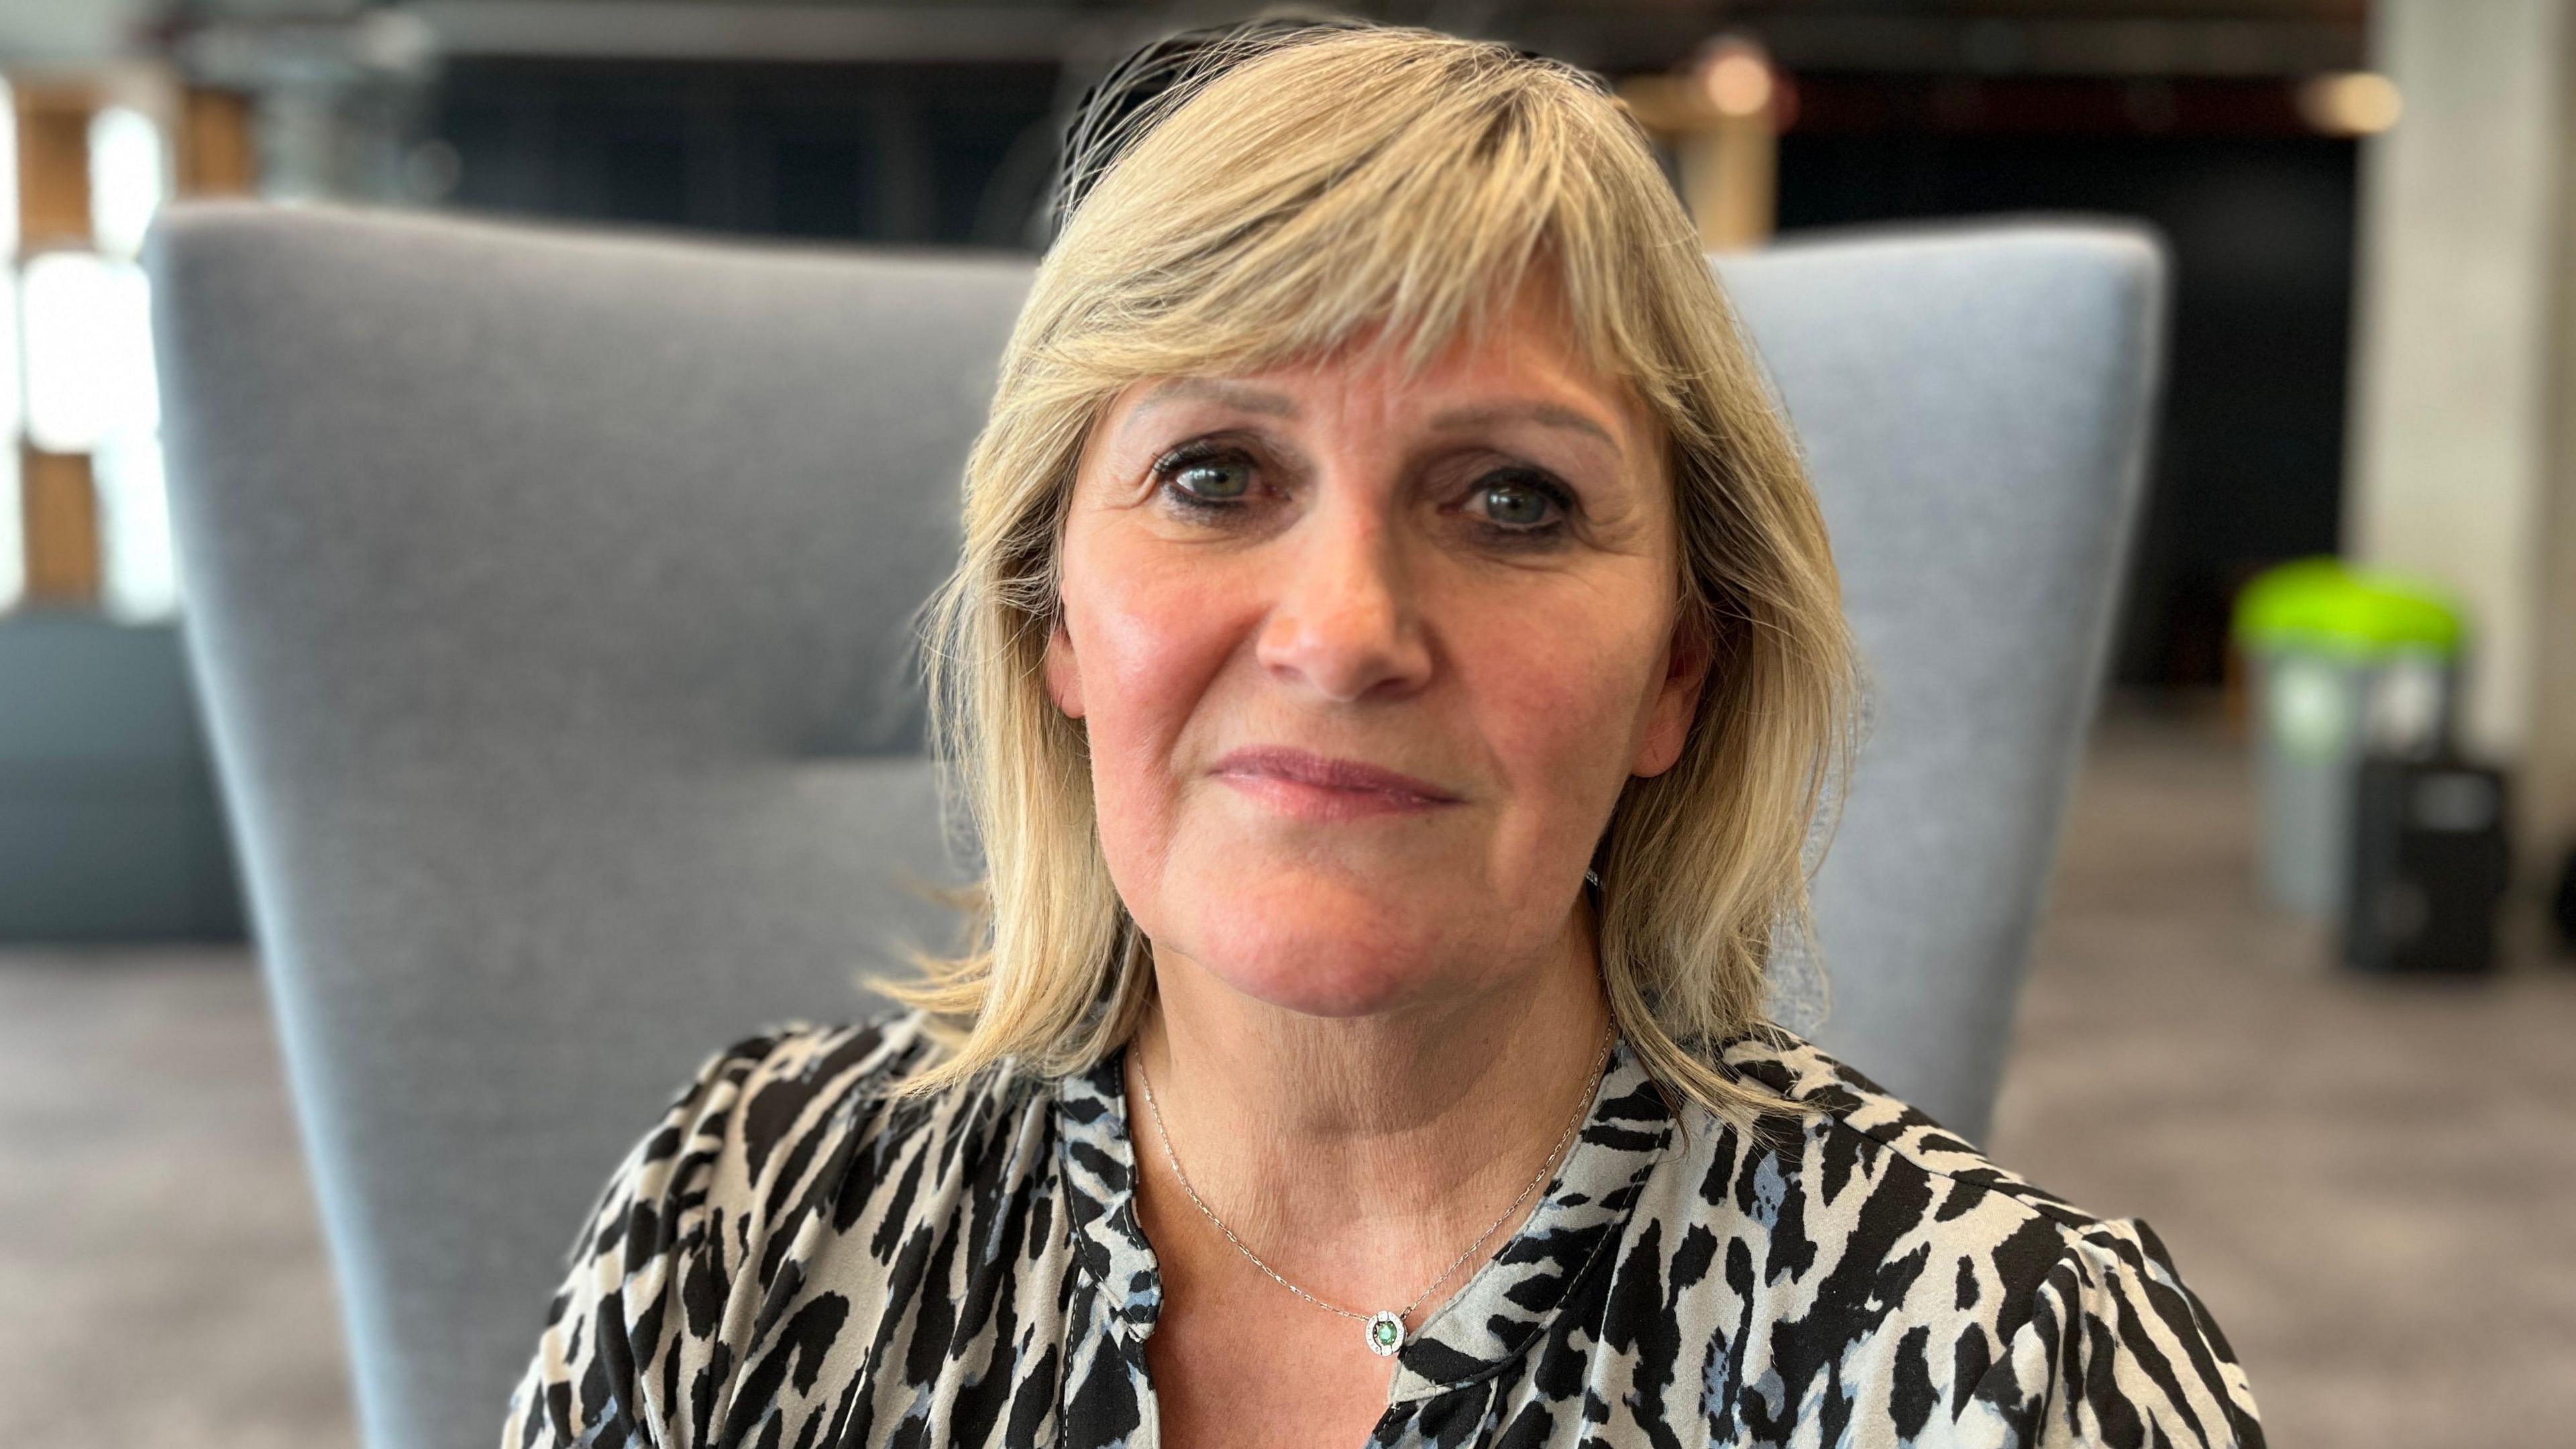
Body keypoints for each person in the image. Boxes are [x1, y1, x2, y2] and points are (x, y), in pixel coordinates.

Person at [501, 21, 2263, 1449]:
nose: (1342, 633)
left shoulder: (1996, 1364)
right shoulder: (738, 1220)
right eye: (1214, 474)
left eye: (1512, 498)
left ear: (1678, 675)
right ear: (1053, 621)